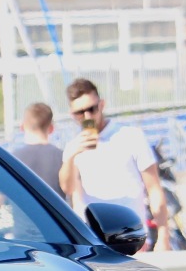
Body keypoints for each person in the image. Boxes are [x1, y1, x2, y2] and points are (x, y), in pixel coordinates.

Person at [58, 78, 172, 250]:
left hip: (131, 238)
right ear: (72, 115)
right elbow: (67, 188)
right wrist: (72, 156)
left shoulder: (131, 136)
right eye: (80, 113)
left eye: (92, 109)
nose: (88, 116)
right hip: (93, 242)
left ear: (101, 105)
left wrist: (163, 235)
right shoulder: (73, 147)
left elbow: (154, 188)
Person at [0, 102, 65, 234]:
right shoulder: (63, 158)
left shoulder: (10, 161)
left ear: (22, 127)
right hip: (60, 243)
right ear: (51, 128)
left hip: (25, 244)